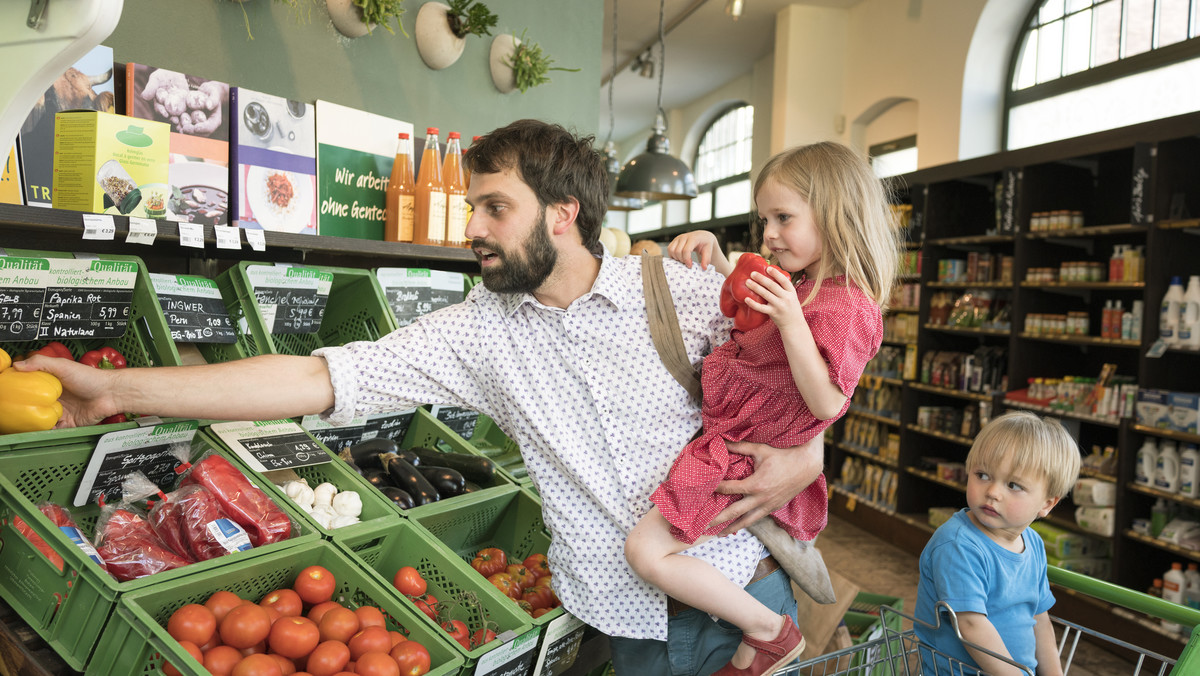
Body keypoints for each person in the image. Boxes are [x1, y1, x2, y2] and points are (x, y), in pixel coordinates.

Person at [17, 119, 825, 676]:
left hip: (741, 597)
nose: (470, 226)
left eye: (493, 207)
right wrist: (117, 388)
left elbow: (815, 377)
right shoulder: (478, 333)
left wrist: (807, 452)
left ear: (564, 214)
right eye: (473, 205)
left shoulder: (682, 291)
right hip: (623, 625)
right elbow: (318, 378)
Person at [623, 141, 898, 676]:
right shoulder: (802, 284)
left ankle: (769, 631)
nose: (768, 233)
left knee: (645, 552)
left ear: (836, 216)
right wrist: (721, 258)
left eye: (783, 218)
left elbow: (827, 401)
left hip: (737, 456)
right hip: (730, 442)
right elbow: (754, 318)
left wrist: (795, 321)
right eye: (764, 218)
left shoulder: (846, 306)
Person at [914, 411, 1080, 676]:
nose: (992, 492)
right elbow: (971, 625)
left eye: (1013, 485)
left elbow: (1039, 619)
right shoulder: (959, 545)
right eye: (982, 475)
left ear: (1047, 504)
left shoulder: (1034, 544)